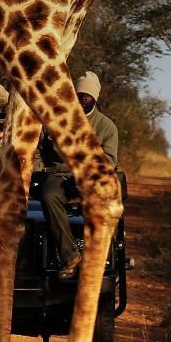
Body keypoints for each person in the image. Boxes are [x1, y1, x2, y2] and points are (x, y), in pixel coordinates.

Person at [39, 71, 120, 279]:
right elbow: (40, 150)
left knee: (101, 202)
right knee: (48, 195)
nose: (82, 99)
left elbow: (110, 161)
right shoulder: (55, 119)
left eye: (87, 95)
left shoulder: (107, 126)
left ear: (95, 97)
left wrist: (86, 173)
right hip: (60, 173)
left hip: (90, 176)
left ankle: (99, 259)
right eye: (78, 94)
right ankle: (70, 256)